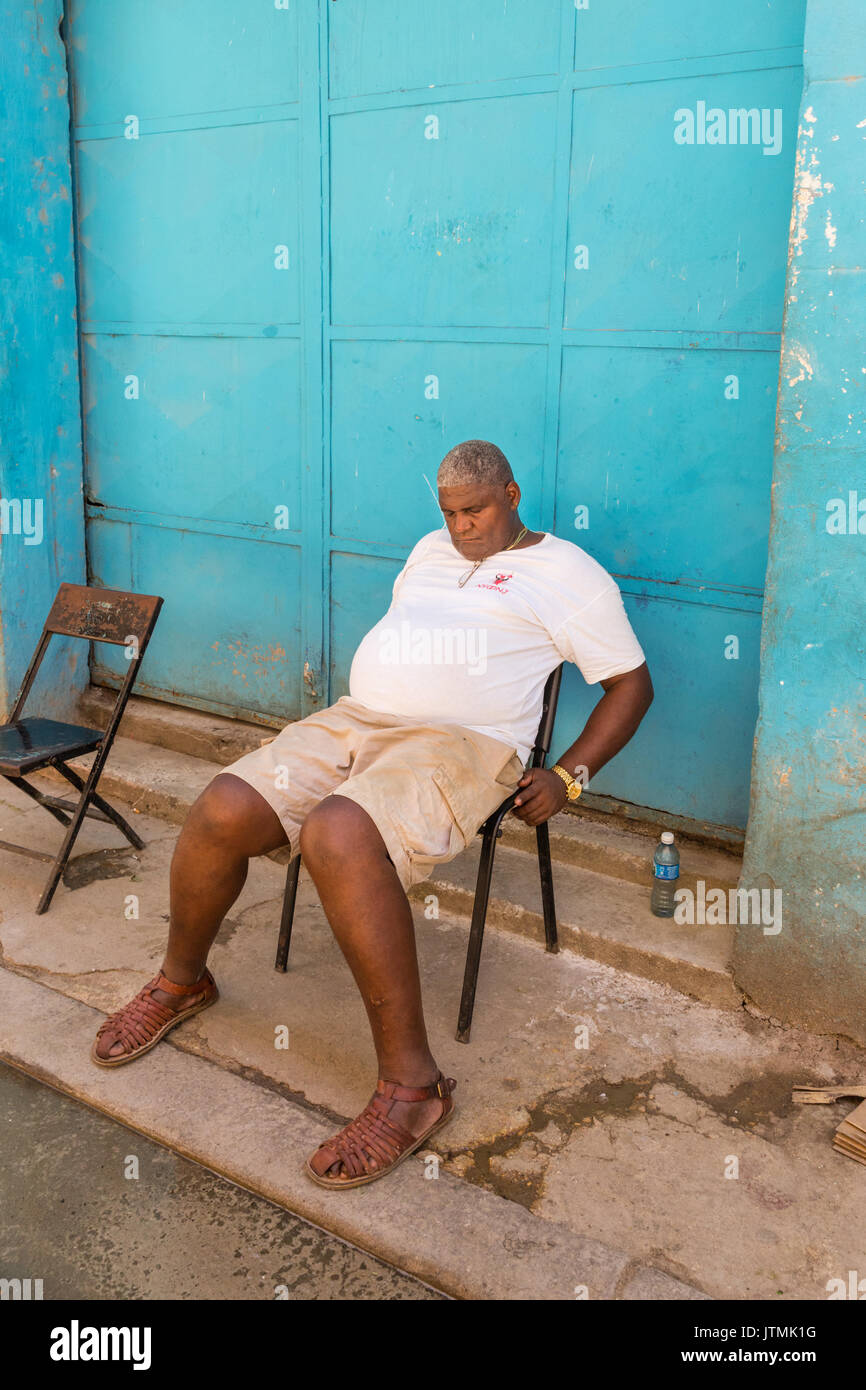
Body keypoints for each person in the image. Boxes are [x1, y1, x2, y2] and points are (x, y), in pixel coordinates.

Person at [91, 439, 653, 1189]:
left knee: (337, 830)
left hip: (465, 745)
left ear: (513, 495)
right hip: (359, 720)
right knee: (223, 806)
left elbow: (632, 686)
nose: (461, 528)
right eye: (450, 513)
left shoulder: (570, 574)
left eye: (475, 511)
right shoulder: (427, 549)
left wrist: (569, 777)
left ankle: (415, 1091)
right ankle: (179, 982)